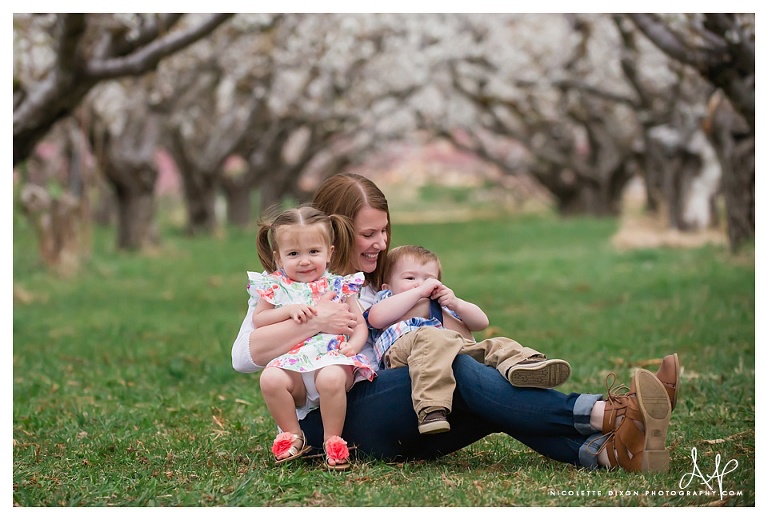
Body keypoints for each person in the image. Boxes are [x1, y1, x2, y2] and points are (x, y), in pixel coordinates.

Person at [232, 173, 681, 473]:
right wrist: (316, 321)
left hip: (398, 412)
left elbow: (454, 335)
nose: (380, 242)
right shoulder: (297, 286)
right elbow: (243, 358)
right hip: (327, 426)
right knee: (461, 373)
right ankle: (605, 412)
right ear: (334, 232)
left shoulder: (389, 284)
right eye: (368, 234)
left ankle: (609, 453)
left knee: (482, 388)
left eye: (384, 230)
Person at [366, 244, 571, 434]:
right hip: (406, 350)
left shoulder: (441, 303)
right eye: (410, 278)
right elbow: (376, 318)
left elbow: (480, 323)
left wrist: (456, 304)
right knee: (431, 337)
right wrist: (418, 293)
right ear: (387, 286)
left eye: (428, 280)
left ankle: (524, 364)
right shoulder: (388, 299)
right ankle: (431, 409)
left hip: (447, 347)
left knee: (494, 343)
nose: (419, 284)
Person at [247, 205, 377, 470]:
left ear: (329, 253)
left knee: (330, 378)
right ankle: (293, 435)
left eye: (313, 252)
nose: (304, 260)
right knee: (270, 378)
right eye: (293, 254)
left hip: (331, 360)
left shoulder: (339, 285)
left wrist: (353, 345)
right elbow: (259, 320)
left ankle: (333, 440)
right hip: (293, 365)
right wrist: (287, 310)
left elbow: (359, 323)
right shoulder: (275, 286)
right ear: (279, 258)